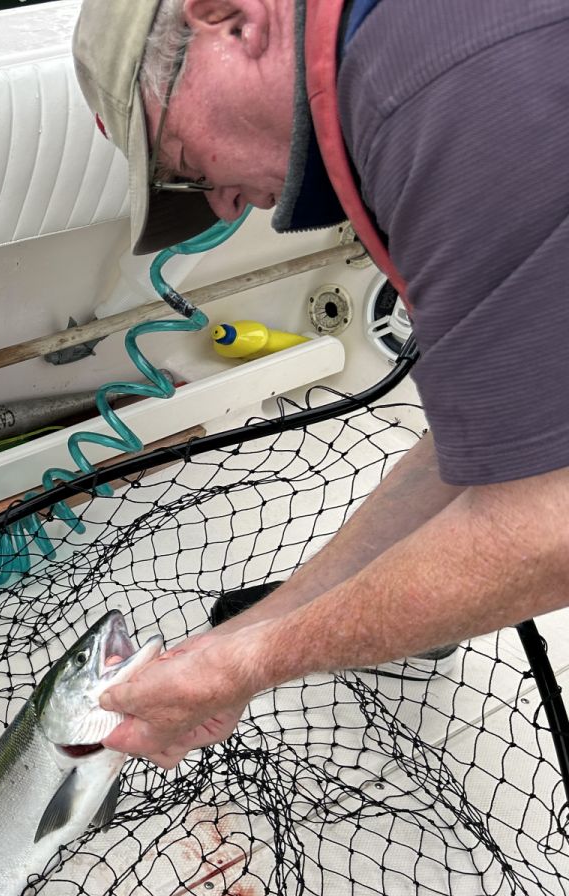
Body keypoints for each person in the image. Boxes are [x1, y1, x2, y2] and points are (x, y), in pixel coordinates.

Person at [70, 0, 569, 769]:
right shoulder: (397, 52)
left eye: (186, 166)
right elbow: (495, 447)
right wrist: (244, 637)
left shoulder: (432, 96)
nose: (223, 204)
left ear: (230, 19)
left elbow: (547, 528)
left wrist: (247, 665)